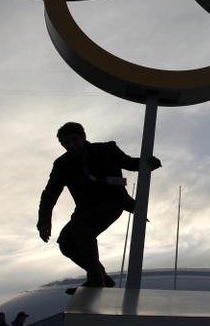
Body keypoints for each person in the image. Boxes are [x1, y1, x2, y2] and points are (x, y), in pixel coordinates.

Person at [37, 122, 161, 287]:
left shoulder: (106, 149)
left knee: (81, 229)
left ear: (83, 137)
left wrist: (149, 163)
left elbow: (130, 163)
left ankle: (95, 278)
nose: (71, 145)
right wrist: (44, 221)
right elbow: (50, 194)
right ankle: (103, 278)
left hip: (112, 202)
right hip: (85, 210)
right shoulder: (62, 164)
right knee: (66, 243)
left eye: (74, 140)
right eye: (66, 143)